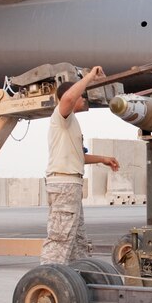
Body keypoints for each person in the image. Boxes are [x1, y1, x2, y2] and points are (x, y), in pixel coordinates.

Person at [42, 66, 121, 265]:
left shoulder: (71, 123)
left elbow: (79, 157)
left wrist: (102, 159)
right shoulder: (61, 116)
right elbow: (68, 98)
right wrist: (89, 77)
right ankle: (48, 277)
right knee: (60, 239)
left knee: (77, 241)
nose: (84, 99)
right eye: (82, 96)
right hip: (64, 184)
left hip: (71, 185)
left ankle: (78, 274)